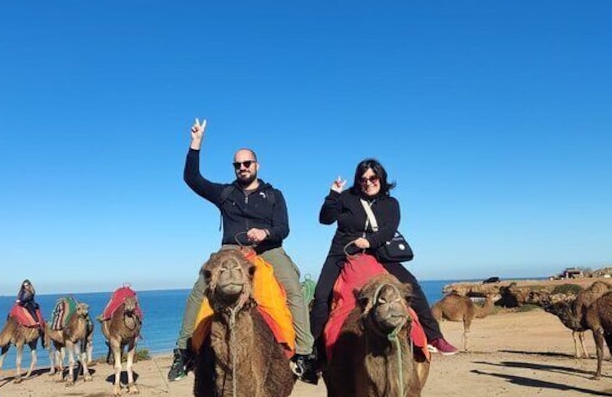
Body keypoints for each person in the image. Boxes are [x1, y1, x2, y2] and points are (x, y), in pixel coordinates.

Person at [168, 119, 315, 383]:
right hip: (231, 250)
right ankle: (183, 351)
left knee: (293, 288)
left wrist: (265, 233)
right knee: (200, 288)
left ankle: (304, 353)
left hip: (267, 250)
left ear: (257, 166)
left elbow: (283, 228)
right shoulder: (225, 193)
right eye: (238, 165)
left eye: (247, 163)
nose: (242, 168)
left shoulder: (273, 195)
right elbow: (192, 178)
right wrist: (196, 144)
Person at [308, 158, 458, 373]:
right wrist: (333, 194)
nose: (368, 183)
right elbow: (325, 219)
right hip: (342, 252)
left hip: (379, 252)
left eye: (373, 178)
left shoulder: (391, 204)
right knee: (322, 295)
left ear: (381, 178)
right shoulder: (347, 198)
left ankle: (435, 337)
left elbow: (388, 230)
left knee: (411, 286)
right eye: (363, 179)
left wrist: (369, 242)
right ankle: (314, 354)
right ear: (358, 181)